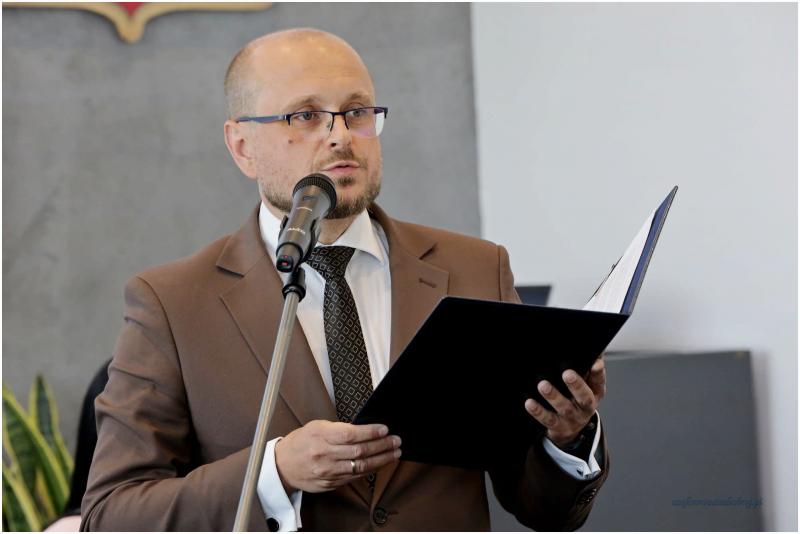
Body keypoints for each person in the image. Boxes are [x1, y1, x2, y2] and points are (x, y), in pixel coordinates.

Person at [81, 28, 609, 531]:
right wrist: (275, 471)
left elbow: (543, 508)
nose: (340, 136)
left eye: (356, 112)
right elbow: (112, 515)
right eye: (306, 116)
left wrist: (568, 438)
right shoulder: (173, 304)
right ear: (242, 146)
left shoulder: (474, 269)